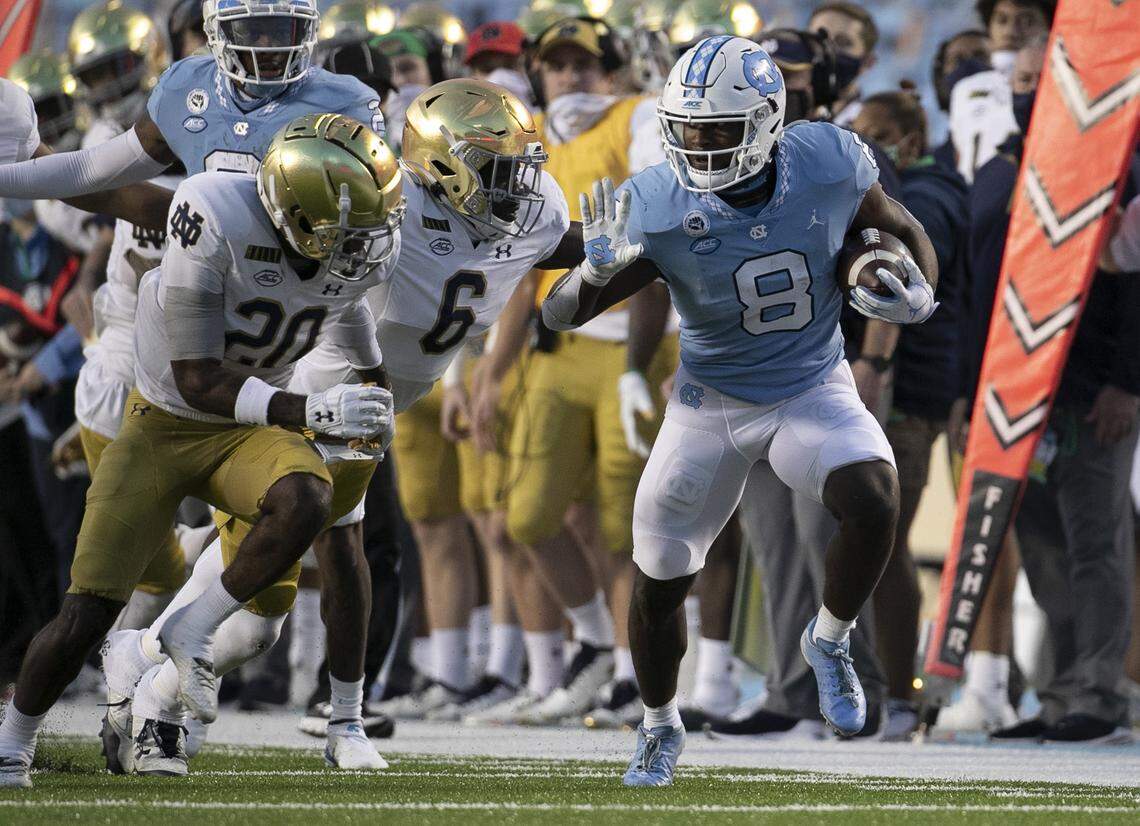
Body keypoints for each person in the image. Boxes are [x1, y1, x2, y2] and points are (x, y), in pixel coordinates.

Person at [113, 77, 586, 775]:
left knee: (293, 591)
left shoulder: (534, 206)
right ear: (445, 167)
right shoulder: (389, 206)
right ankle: (163, 668)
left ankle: (178, 668)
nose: (519, 187)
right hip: (326, 388)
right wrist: (348, 378)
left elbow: (542, 257)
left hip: (382, 401)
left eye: (520, 168)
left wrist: (613, 248)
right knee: (290, 591)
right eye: (497, 170)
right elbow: (320, 285)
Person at [542, 35, 939, 786]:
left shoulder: (826, 160)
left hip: (809, 388)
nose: (701, 147)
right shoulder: (656, 199)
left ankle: (828, 640)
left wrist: (923, 287)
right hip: (708, 405)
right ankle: (660, 724)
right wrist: (590, 273)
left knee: (874, 497)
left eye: (718, 130)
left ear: (764, 121)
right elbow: (562, 316)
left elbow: (901, 226)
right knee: (659, 579)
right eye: (688, 130)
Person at [0, 111, 404, 789]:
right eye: (339, 230)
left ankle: (189, 630)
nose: (355, 247)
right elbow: (198, 379)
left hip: (250, 429)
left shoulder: (338, 248)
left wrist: (376, 399)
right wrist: (311, 408)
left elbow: (353, 320)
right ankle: (14, 742)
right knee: (89, 610)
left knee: (309, 495)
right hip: (166, 423)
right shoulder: (209, 217)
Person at [469, 16, 670, 726]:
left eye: (584, 64)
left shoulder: (636, 117)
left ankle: (626, 675)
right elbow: (524, 268)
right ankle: (591, 641)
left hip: (636, 347)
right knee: (527, 515)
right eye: (556, 66)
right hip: (561, 345)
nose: (570, 76)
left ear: (610, 71)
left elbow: (656, 214)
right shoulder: (534, 142)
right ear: (538, 73)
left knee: (624, 528)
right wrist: (493, 373)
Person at [852, 91, 967, 736]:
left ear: (911, 139)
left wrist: (879, 365)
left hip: (905, 395)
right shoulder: (940, 192)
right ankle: (887, 689)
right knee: (871, 541)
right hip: (910, 390)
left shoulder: (923, 200)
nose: (864, 144)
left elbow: (903, 286)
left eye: (876, 134)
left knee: (883, 543)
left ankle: (900, 692)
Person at [806, 2, 879, 128]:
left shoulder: (869, 131)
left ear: (867, 62)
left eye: (843, 42)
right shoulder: (776, 104)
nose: (827, 48)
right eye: (818, 38)